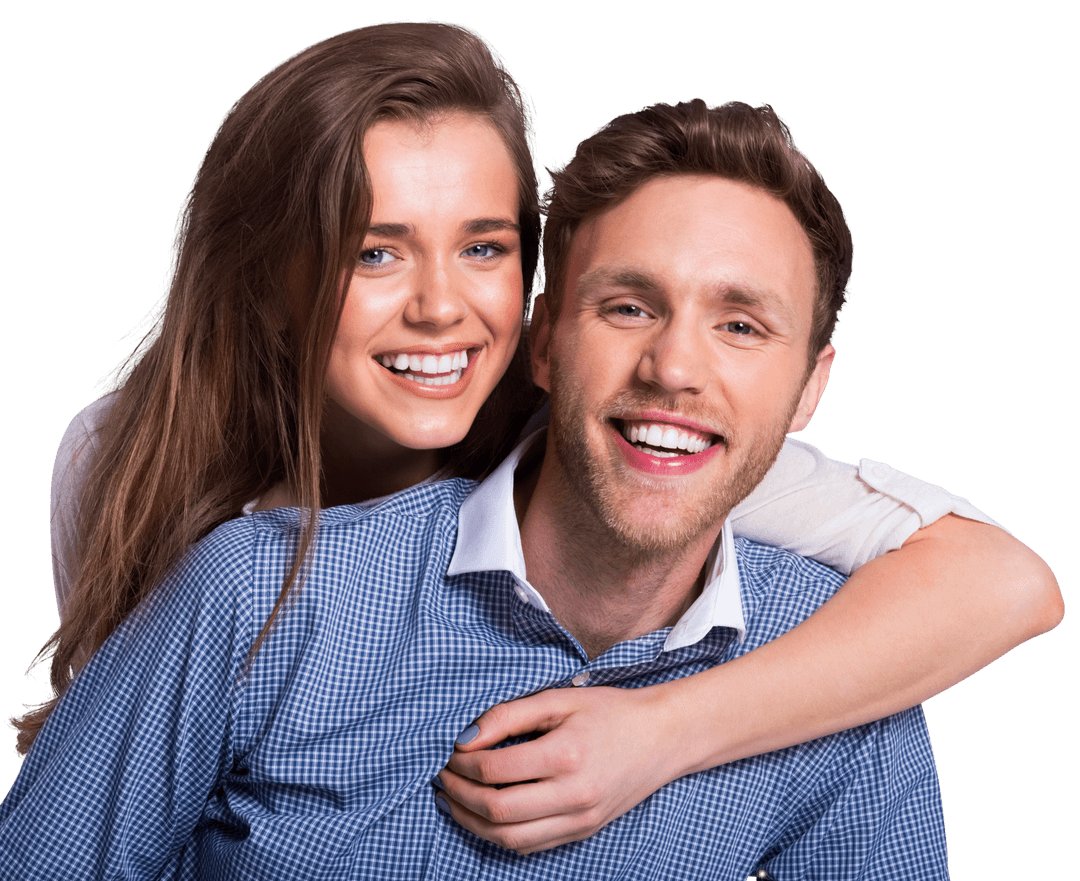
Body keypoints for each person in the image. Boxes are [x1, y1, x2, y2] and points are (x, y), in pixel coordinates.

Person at [13, 20, 1060, 851]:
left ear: (532, 305)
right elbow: (110, 812)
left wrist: (659, 732)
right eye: (375, 251)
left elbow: (1004, 582)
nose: (440, 308)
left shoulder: (642, 443)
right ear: (272, 278)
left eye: (482, 245)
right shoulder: (147, 485)